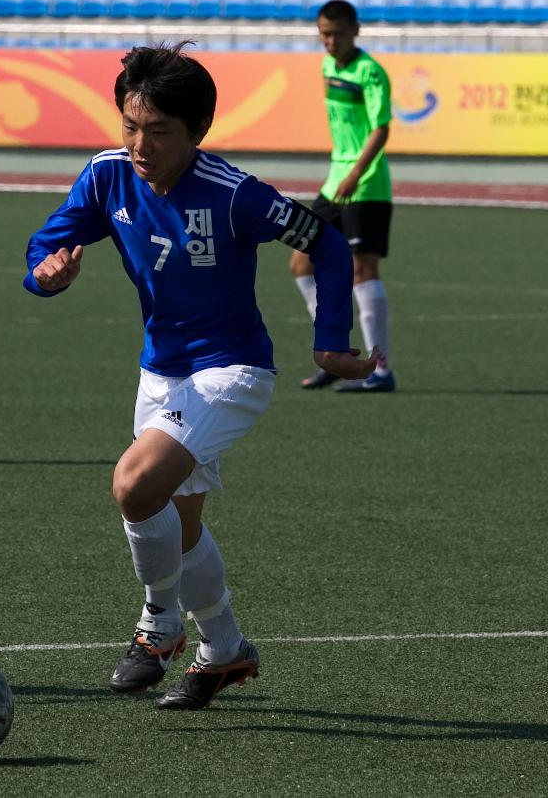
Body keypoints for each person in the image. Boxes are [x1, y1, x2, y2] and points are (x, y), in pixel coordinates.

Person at [24, 43, 378, 710]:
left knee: (134, 484)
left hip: (232, 371)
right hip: (160, 372)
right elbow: (46, 244)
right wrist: (46, 274)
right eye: (130, 125)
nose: (139, 143)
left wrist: (331, 342)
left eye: (158, 132)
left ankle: (157, 626)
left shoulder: (234, 193)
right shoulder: (107, 177)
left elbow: (326, 244)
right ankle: (223, 648)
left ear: (196, 133)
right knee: (178, 526)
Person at [290, 0, 396, 393]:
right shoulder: (327, 65)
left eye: (337, 33)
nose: (330, 42)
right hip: (335, 181)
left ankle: (380, 369)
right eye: (324, 34)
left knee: (363, 271)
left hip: (365, 184)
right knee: (301, 262)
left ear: (356, 30)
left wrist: (355, 172)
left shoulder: (371, 73)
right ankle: (335, 353)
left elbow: (381, 129)